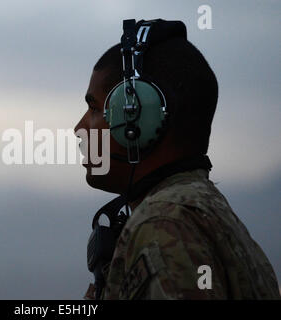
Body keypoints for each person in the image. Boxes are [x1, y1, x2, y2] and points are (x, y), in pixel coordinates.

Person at [75, 19, 280, 300]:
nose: (80, 128)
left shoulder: (161, 225)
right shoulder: (204, 210)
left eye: (95, 108)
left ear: (136, 117)